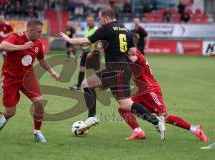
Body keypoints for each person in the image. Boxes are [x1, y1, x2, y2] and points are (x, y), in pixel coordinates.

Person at [60, 8, 166, 140]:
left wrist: (69, 40)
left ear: (106, 17)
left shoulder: (106, 28)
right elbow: (132, 51)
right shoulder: (125, 29)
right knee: (126, 104)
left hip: (114, 68)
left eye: (100, 18)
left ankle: (92, 117)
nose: (100, 21)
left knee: (86, 84)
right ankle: (156, 121)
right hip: (125, 69)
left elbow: (86, 41)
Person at [117, 49, 208, 142]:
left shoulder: (134, 53)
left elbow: (133, 59)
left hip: (151, 91)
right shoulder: (129, 52)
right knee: (123, 108)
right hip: (142, 91)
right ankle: (138, 131)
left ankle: (195, 129)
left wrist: (116, 55)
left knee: (164, 117)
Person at [0, 19, 60, 143]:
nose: (40, 34)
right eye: (39, 32)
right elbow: (2, 46)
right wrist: (22, 47)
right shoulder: (16, 37)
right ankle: (5, 116)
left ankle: (37, 132)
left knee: (40, 103)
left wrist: (52, 72)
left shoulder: (38, 43)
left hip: (27, 78)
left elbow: (41, 59)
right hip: (10, 78)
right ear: (30, 30)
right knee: (11, 112)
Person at [70, 15, 100, 90]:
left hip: (94, 51)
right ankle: (78, 86)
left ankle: (104, 85)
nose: (89, 22)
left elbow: (96, 42)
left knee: (96, 70)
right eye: (88, 21)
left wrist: (91, 51)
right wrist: (81, 50)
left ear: (93, 21)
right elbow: (86, 41)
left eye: (90, 21)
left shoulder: (96, 30)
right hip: (85, 52)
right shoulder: (87, 30)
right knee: (81, 68)